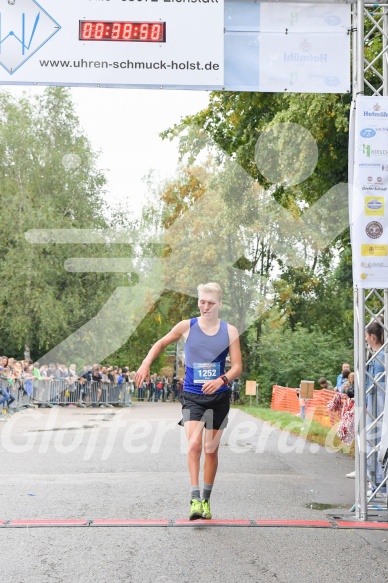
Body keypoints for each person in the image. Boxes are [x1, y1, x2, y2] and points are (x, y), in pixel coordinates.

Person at [135, 282, 242, 520]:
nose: (205, 307)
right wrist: (146, 363)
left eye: (210, 303)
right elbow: (161, 343)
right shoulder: (187, 327)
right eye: (202, 302)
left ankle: (206, 500)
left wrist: (222, 380)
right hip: (193, 396)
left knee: (210, 450)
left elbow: (237, 367)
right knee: (194, 446)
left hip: (218, 397)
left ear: (219, 304)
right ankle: (194, 499)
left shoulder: (230, 331)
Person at [365, 320, 386, 495]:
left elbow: (377, 390)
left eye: (366, 337)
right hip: (376, 410)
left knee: (376, 444)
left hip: (377, 412)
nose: (365, 340)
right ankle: (377, 483)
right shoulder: (379, 357)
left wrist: (367, 405)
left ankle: (378, 484)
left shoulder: (379, 360)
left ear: (372, 337)